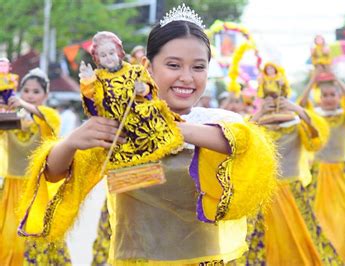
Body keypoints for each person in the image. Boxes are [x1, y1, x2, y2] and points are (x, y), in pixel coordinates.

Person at [17, 4, 277, 265]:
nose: (186, 77)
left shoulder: (218, 122)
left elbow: (246, 145)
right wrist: (72, 142)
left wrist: (166, 129)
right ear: (147, 67)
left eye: (198, 67)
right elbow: (54, 173)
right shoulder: (122, 127)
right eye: (173, 65)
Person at [245, 93, 342, 265]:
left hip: (293, 191)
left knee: (303, 234)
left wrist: (296, 109)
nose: (274, 101)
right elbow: (241, 142)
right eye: (268, 96)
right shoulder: (253, 125)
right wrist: (260, 114)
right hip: (264, 194)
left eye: (278, 96)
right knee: (266, 237)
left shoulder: (299, 125)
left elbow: (316, 140)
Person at [79, 31, 183, 188]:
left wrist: (143, 90)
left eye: (111, 52)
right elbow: (95, 108)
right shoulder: (97, 78)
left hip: (142, 121)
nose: (109, 57)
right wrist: (88, 82)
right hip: (117, 130)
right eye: (103, 55)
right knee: (126, 179)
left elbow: (151, 92)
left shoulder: (136, 71)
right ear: (97, 59)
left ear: (119, 52)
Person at [0, 68, 71, 265]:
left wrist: (21, 103)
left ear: (46, 95)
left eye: (36, 91)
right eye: (26, 91)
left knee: (34, 243)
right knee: (8, 242)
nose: (30, 95)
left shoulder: (49, 117)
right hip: (11, 188)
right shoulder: (11, 118)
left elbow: (47, 118)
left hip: (38, 191)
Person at [300, 71, 345, 263]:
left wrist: (337, 79)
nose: (328, 99)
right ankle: (321, 255)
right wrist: (312, 81)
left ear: (339, 96)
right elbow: (300, 107)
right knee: (317, 215)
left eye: (332, 94)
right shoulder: (315, 117)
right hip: (319, 173)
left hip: (341, 172)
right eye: (324, 95)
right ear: (319, 98)